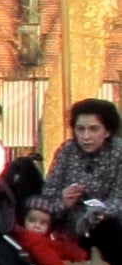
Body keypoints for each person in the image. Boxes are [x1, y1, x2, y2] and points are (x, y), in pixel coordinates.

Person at [43, 99, 122, 249]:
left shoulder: (118, 153)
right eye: (80, 129)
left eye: (93, 129)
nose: (86, 136)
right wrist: (63, 201)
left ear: (107, 131)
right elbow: (48, 192)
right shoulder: (67, 150)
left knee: (107, 229)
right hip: (69, 225)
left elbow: (119, 198)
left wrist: (100, 213)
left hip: (108, 224)